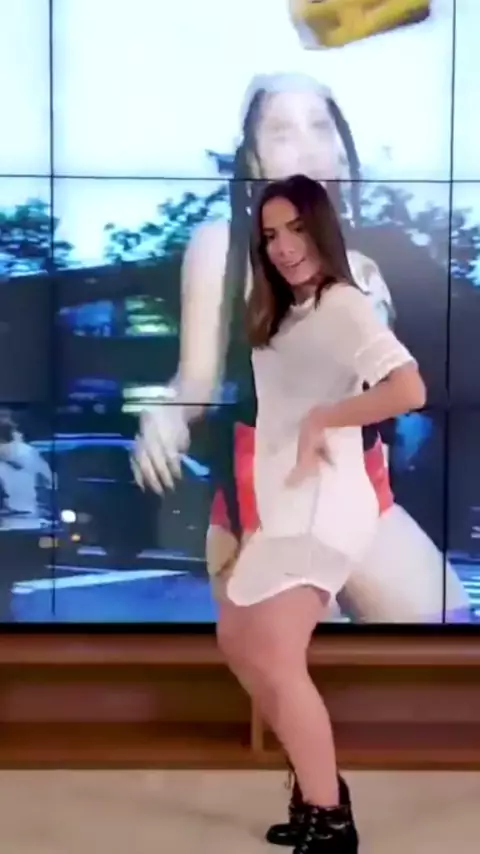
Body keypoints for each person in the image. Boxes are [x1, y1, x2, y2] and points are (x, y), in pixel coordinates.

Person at [135, 174, 426, 852]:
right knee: (238, 638)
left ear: (321, 228)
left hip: (327, 503)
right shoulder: (289, 311)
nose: (285, 246)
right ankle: (314, 786)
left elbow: (407, 389)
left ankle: (330, 815)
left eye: (296, 229)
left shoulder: (342, 303)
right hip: (283, 500)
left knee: (274, 654)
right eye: (271, 235)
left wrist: (327, 418)